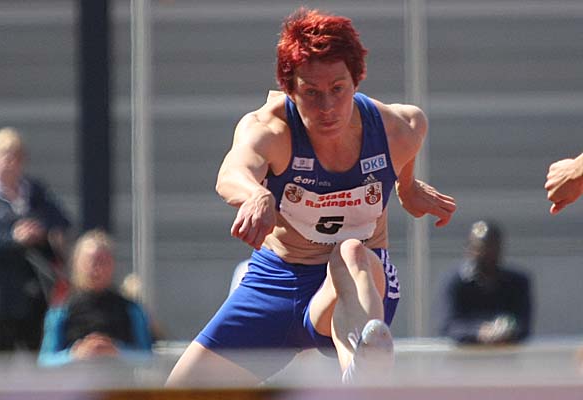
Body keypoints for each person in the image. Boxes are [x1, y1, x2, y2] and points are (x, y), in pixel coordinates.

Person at [167, 7, 456, 386]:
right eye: (311, 93)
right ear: (290, 89)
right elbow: (232, 171)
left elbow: (413, 131)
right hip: (277, 282)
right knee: (179, 390)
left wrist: (408, 186)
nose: (327, 108)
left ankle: (364, 374)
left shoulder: (395, 130)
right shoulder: (270, 129)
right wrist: (255, 195)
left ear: (356, 81)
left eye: (338, 89)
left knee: (351, 251)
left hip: (356, 286)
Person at [0, 127, 71, 351]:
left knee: (35, 349)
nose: (9, 163)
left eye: (16, 157)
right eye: (4, 155)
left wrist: (38, 229)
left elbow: (61, 220)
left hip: (31, 290)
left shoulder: (33, 191)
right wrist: (12, 237)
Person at [38, 229, 153, 367]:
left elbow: (148, 357)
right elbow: (45, 361)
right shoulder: (61, 310)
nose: (96, 268)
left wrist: (116, 352)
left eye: (103, 261)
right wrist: (75, 355)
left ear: (112, 264)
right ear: (76, 264)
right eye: (90, 261)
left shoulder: (131, 309)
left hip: (118, 378)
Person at [437, 220, 532, 344]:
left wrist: (505, 330)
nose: (487, 253)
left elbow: (522, 323)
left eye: (492, 246)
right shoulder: (457, 282)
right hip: (467, 354)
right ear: (469, 248)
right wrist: (479, 332)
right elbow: (450, 326)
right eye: (481, 247)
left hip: (506, 354)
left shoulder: (517, 282)